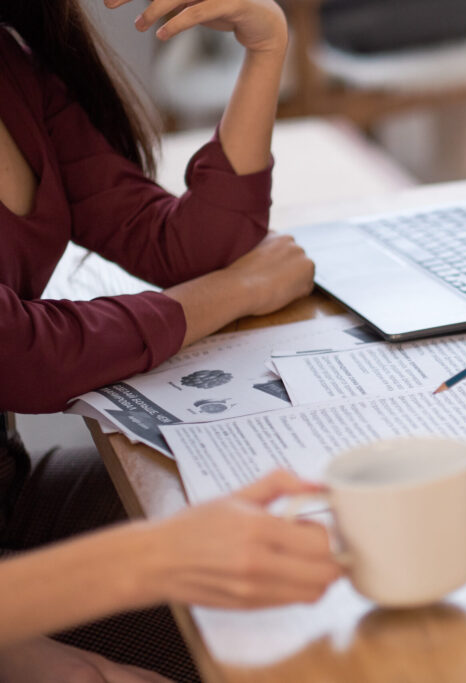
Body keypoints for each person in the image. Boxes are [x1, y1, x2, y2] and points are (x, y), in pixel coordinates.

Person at [0, 0, 342, 680]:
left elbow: (185, 245)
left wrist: (265, 49)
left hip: (13, 511)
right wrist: (233, 294)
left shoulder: (13, 68)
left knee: (306, 582)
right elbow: (21, 356)